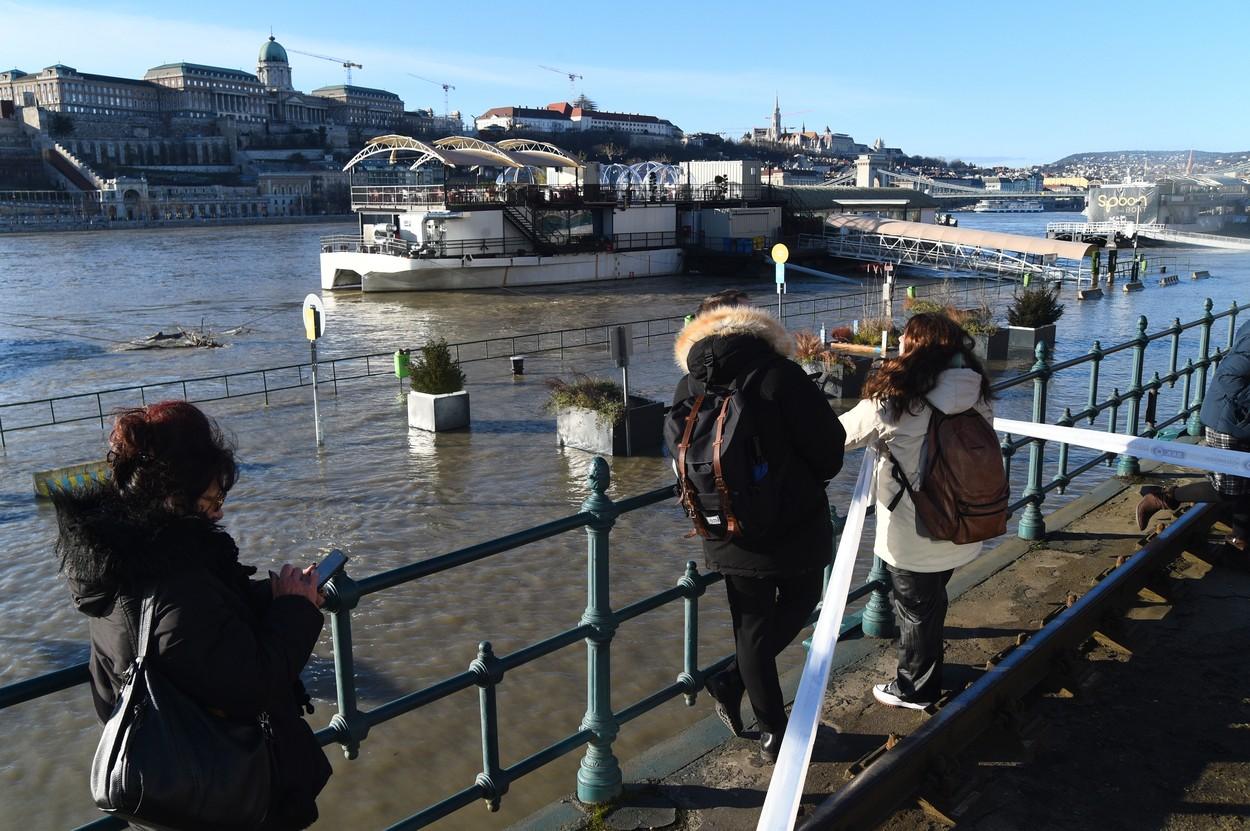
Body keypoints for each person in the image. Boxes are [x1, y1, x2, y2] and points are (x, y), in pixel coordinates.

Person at [54, 401, 332, 829]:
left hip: (166, 789)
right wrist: (295, 610)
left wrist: (271, 595)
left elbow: (195, 643)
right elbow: (250, 683)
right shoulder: (175, 584)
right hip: (223, 799)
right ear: (174, 494)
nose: (219, 511)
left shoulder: (119, 566)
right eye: (212, 498)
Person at [673, 289, 845, 762]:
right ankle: (734, 682)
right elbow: (830, 450)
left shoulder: (689, 384)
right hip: (792, 519)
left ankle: (772, 731)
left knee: (749, 625)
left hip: (723, 523)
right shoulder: (779, 374)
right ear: (753, 321)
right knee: (803, 598)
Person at [839, 313, 995, 709]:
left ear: (915, 348)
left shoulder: (896, 399)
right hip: (964, 522)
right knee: (930, 600)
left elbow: (837, 435)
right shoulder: (975, 391)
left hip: (913, 530)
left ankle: (915, 689)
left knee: (914, 610)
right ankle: (928, 669)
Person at [1136, 319, 1250, 559]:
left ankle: (1239, 540)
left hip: (1238, 415)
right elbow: (1233, 377)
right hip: (1230, 419)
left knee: (1243, 482)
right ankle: (1163, 497)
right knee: (1228, 489)